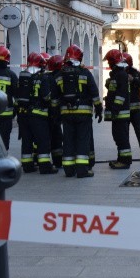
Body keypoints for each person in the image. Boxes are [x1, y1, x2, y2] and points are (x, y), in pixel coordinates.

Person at [52, 44, 103, 178]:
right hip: (83, 114)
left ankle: (69, 169)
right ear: (80, 58)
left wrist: (55, 114)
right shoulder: (85, 73)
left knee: (68, 140)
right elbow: (94, 92)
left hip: (66, 114)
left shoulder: (59, 75)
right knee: (82, 140)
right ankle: (82, 170)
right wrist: (99, 108)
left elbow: (54, 98)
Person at [17, 52, 57, 174]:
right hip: (38, 115)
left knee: (27, 141)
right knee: (43, 140)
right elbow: (46, 97)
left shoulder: (23, 76)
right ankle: (45, 166)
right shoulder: (43, 77)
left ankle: (27, 166)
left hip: (23, 115)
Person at [103, 49, 132, 169]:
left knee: (122, 138)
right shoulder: (118, 74)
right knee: (118, 137)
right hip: (118, 113)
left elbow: (120, 95)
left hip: (120, 113)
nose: (108, 64)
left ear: (113, 62)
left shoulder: (120, 75)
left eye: (109, 62)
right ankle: (121, 159)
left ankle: (125, 161)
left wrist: (115, 108)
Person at [0, 45, 18, 151]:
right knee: (4, 141)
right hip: (6, 116)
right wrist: (15, 111)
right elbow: (17, 96)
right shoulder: (11, 75)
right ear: (7, 59)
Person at [46, 54, 65, 167]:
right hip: (56, 113)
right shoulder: (60, 77)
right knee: (57, 137)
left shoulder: (46, 77)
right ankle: (58, 161)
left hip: (46, 113)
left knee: (50, 137)